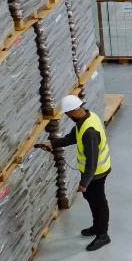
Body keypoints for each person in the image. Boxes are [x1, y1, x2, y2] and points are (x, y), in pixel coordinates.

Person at [40, 95, 111, 251]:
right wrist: (52, 144)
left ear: (73, 111)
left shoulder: (89, 131)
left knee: (98, 202)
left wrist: (84, 183)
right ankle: (96, 227)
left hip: (97, 173)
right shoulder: (87, 118)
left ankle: (103, 235)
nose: (67, 116)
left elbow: (92, 161)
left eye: (67, 113)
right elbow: (73, 137)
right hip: (93, 172)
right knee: (92, 200)